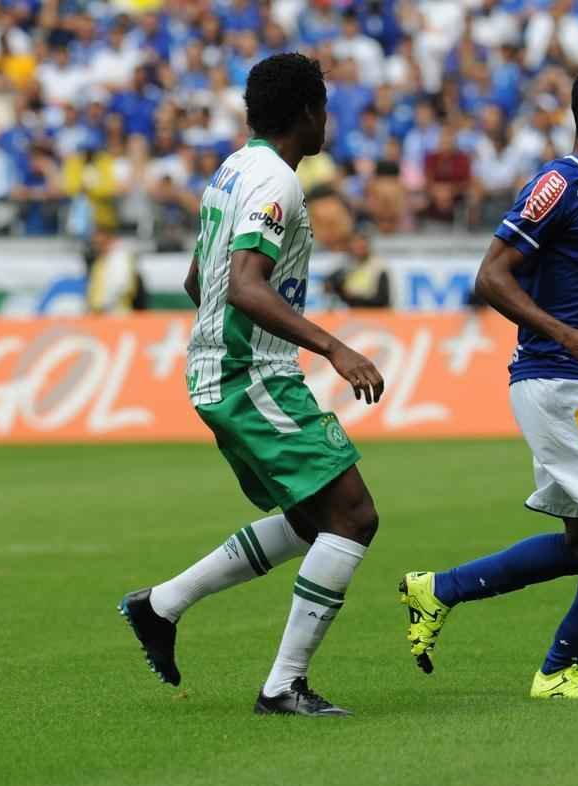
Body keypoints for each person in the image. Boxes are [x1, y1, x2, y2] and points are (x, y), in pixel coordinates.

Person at [118, 54, 387, 718]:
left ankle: (161, 604)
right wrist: (333, 345)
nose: (327, 120)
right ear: (306, 113)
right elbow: (242, 284)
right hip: (250, 373)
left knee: (310, 519)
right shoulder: (276, 182)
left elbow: (197, 280)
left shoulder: (233, 169)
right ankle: (282, 685)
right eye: (323, 108)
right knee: (353, 515)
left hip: (223, 368)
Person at [398, 61, 578, 700]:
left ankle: (439, 590)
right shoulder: (559, 183)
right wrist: (566, 334)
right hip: (557, 379)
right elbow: (491, 276)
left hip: (571, 374)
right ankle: (558, 670)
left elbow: (564, 285)